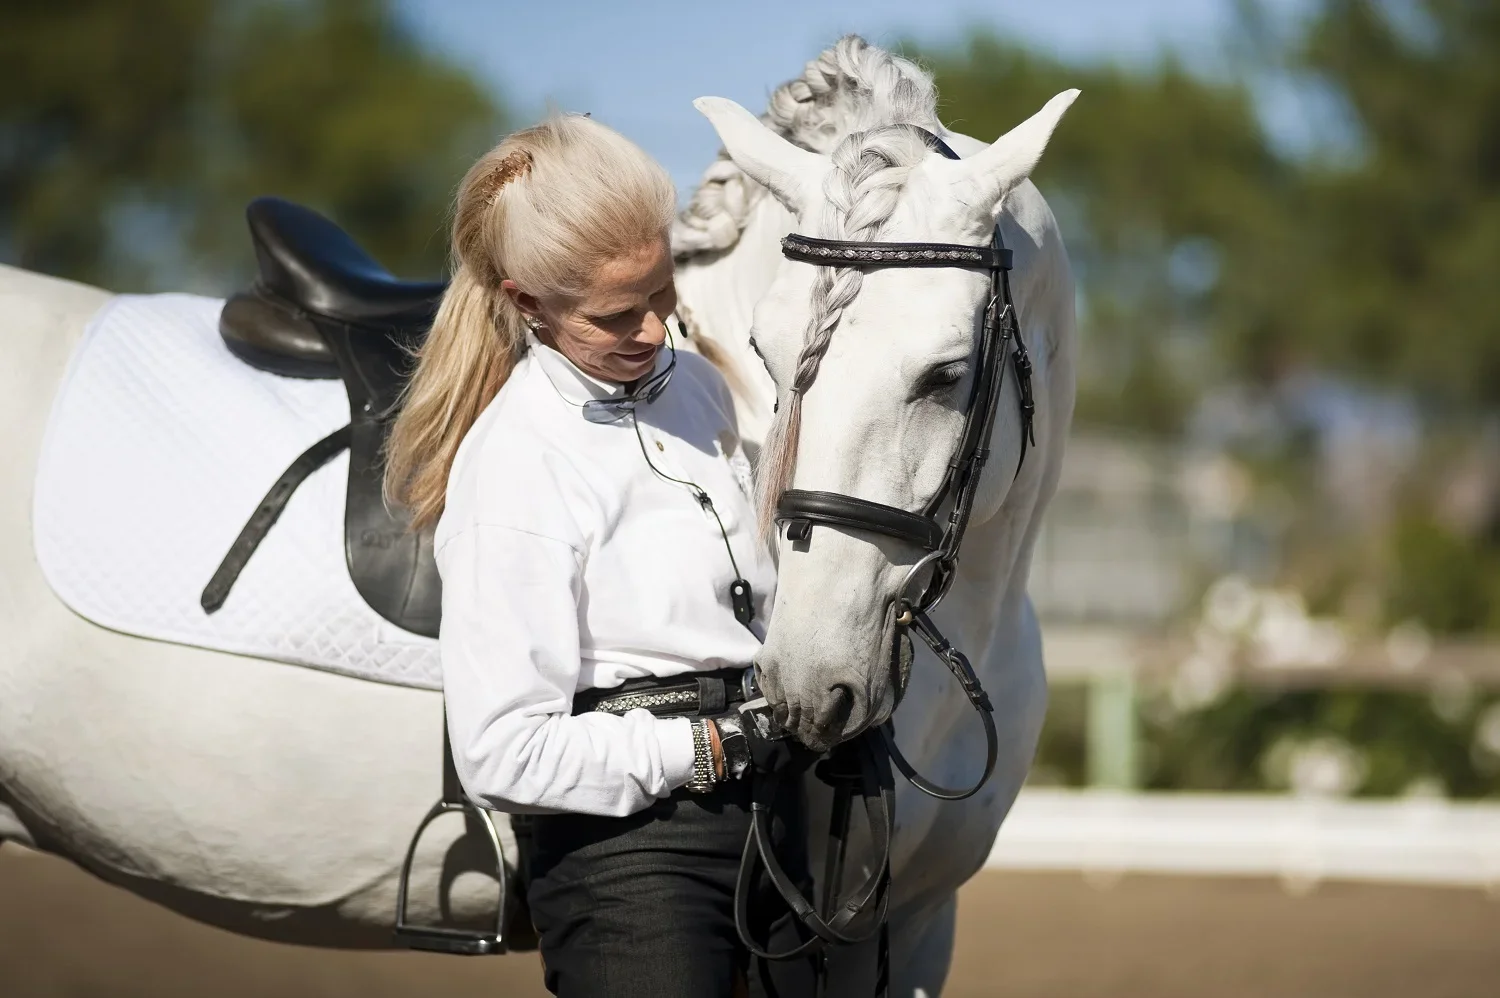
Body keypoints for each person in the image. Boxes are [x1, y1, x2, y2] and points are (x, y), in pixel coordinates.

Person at [383, 113, 814, 997]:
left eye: (663, 292)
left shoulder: (698, 385)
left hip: (777, 820)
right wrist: (707, 749)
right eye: (619, 314)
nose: (658, 329)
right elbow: (502, 752)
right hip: (630, 863)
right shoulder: (513, 466)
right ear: (526, 302)